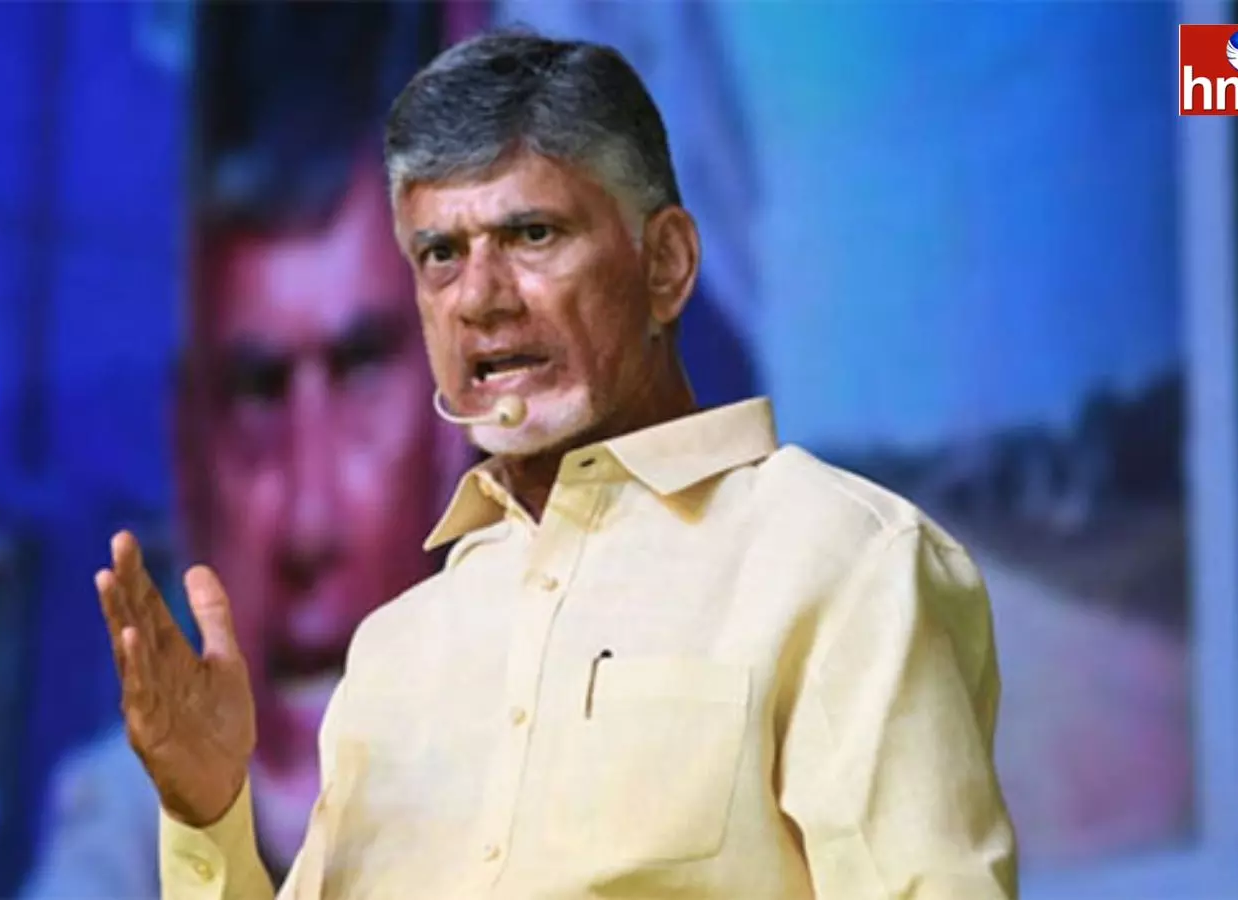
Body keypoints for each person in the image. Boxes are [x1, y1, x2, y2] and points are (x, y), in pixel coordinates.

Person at [98, 29, 1018, 899]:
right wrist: (210, 813)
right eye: (440, 253)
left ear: (666, 263)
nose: (480, 299)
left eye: (533, 234)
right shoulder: (393, 653)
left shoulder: (843, 562)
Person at [20, 6, 468, 894]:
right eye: (258, 391)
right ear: (187, 456)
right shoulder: (121, 838)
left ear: (457, 426)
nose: (309, 524)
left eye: (361, 371)